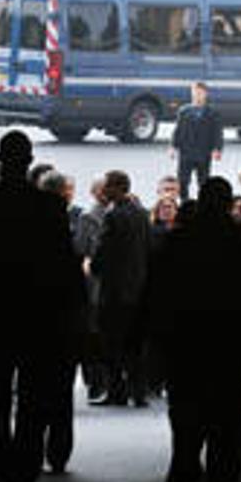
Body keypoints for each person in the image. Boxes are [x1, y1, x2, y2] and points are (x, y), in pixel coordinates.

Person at [0, 130, 84, 482]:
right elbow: (66, 267)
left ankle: (1, 480)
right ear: (30, 162)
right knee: (33, 408)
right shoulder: (50, 208)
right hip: (40, 320)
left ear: (0, 162)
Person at [150, 177, 241, 482]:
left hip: (186, 343)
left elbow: (158, 292)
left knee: (186, 419)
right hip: (230, 343)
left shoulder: (178, 241)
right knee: (227, 421)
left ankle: (185, 481)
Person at [91, 170, 151, 407]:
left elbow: (104, 250)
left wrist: (94, 267)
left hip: (115, 290)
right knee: (135, 344)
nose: (104, 190)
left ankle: (116, 391)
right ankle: (139, 391)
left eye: (107, 186)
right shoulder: (141, 213)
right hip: (138, 288)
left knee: (111, 343)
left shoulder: (113, 215)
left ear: (118, 188)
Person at [74, 178, 108, 402]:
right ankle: (95, 381)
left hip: (111, 284)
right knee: (94, 334)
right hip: (95, 284)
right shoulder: (88, 217)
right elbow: (80, 248)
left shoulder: (120, 211)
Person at [170, 82, 224, 201]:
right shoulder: (184, 111)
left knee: (203, 181)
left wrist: (217, 149)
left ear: (205, 94)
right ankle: (184, 201)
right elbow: (178, 130)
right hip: (186, 152)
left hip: (204, 152)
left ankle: (203, 203)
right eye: (195, 92)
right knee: (183, 180)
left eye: (200, 93)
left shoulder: (212, 112)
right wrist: (173, 147)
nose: (197, 95)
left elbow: (217, 132)